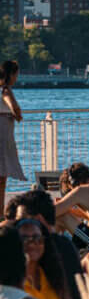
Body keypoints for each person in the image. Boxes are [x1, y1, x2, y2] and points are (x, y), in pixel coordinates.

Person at [14, 189, 85, 299]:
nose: (17, 226)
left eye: (22, 221)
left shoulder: (33, 250)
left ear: (38, 221)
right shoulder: (66, 245)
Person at [16, 217, 70, 299]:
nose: (31, 243)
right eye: (24, 239)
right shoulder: (8, 281)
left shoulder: (52, 276)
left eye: (37, 238)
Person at [0, 60, 26, 213]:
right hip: (3, 137)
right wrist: (18, 115)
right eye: (16, 75)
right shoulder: (5, 90)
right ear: (10, 74)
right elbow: (15, 108)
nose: (16, 78)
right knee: (2, 178)